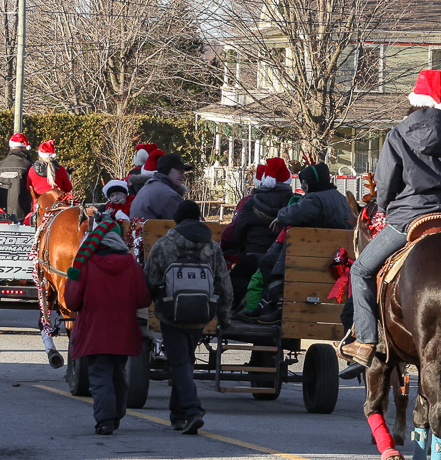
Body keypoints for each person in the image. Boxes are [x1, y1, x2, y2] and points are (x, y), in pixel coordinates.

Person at [343, 70, 441, 366]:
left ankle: (365, 340)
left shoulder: (398, 135)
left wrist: (389, 207)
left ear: (415, 98)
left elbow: (386, 185)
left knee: (361, 271)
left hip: (409, 220)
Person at [143, 200, 234, 435]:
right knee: (184, 361)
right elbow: (224, 284)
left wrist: (153, 305)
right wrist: (224, 317)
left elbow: (150, 281)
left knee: (180, 362)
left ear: (177, 220)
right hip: (201, 315)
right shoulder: (212, 248)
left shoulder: (164, 245)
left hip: (171, 314)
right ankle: (178, 416)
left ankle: (193, 410)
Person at [61, 214, 150, 435]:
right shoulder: (131, 264)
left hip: (94, 329)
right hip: (124, 328)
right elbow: (143, 299)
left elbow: (71, 301)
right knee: (118, 372)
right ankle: (116, 412)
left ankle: (105, 419)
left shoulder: (87, 265)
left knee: (100, 375)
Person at [243, 161, 357, 324]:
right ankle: (270, 303)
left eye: (304, 183)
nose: (303, 187)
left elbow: (293, 214)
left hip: (311, 253)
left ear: (312, 183)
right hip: (337, 256)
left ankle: (280, 303)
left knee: (268, 262)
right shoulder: (342, 199)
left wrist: (280, 215)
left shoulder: (315, 199)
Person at [222, 157, 294, 300]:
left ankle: (241, 309)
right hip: (279, 259)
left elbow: (238, 229)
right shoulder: (293, 202)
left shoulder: (250, 202)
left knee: (237, 280)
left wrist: (243, 249)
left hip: (252, 253)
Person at [130, 156, 188, 223]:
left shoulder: (147, 187)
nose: (183, 176)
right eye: (180, 171)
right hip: (154, 232)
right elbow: (187, 224)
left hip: (142, 232)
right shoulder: (167, 194)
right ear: (168, 170)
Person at [0, 133, 35, 222]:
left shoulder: (1, 164)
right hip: (22, 213)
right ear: (24, 147)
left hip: (2, 214)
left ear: (11, 147)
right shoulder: (28, 165)